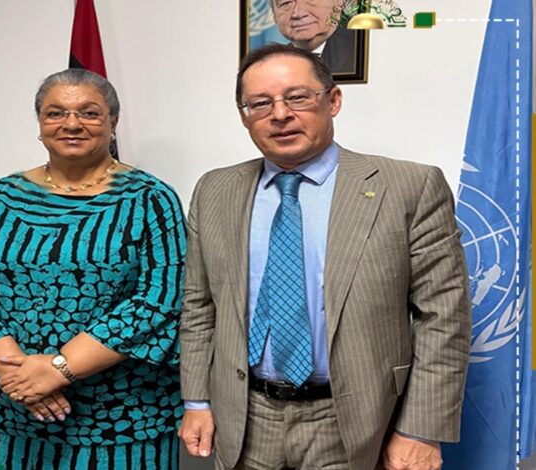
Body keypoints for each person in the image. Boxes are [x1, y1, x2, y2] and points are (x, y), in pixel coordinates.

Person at [178, 43, 471, 470]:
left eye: (297, 97)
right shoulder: (215, 190)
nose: (280, 114)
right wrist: (197, 400)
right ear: (244, 116)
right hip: (243, 416)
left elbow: (443, 317)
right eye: (260, 103)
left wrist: (419, 431)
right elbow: (199, 306)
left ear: (333, 100)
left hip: (355, 419)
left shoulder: (409, 187)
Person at [0, 68, 186, 469]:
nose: (71, 124)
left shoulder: (150, 199)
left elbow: (161, 300)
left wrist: (59, 370)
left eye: (89, 112)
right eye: (55, 113)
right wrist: (22, 377)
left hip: (115, 419)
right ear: (40, 124)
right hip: (1, 406)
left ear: (113, 122)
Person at [271, 0, 355, 74]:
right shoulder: (272, 66)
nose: (298, 14)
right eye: (286, 2)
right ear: (274, 14)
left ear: (339, 2)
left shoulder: (359, 51)